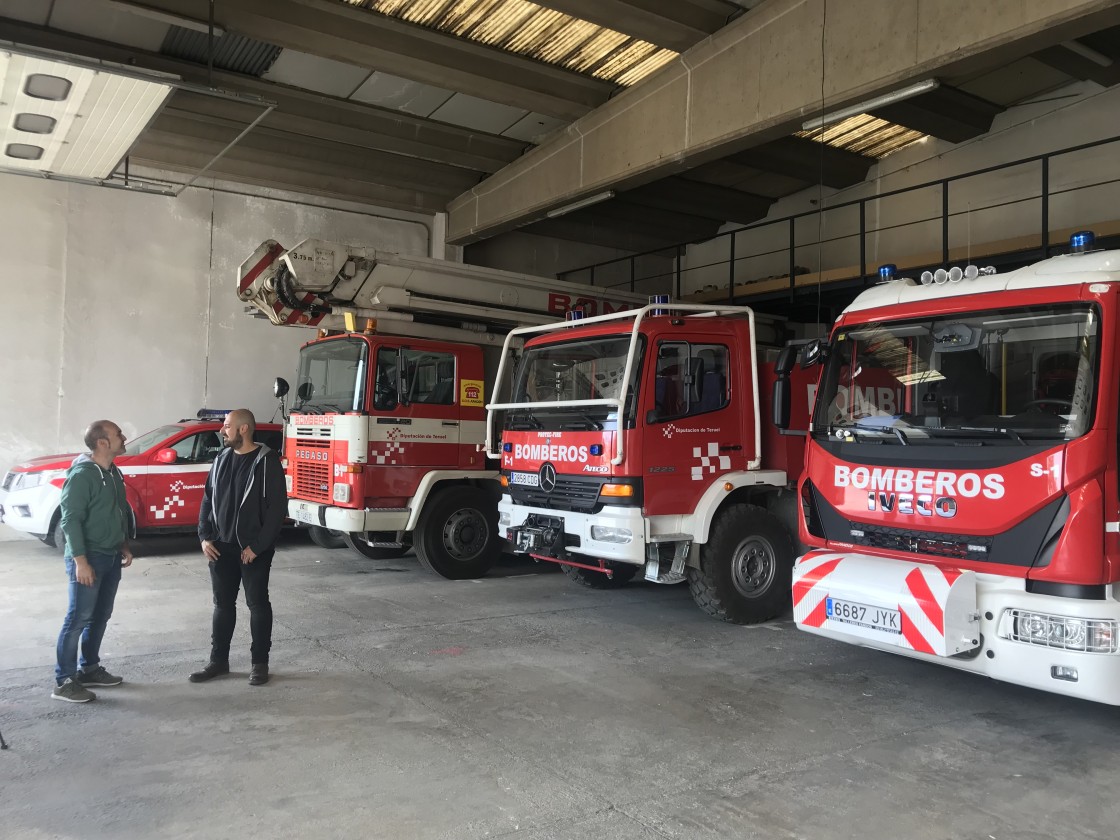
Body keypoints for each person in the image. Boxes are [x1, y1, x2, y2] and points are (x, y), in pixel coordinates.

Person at [191, 409, 286, 686]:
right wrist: (204, 537)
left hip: (252, 551)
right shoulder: (221, 459)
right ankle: (218, 662)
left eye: (227, 425)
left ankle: (259, 664)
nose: (223, 430)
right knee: (222, 606)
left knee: (257, 605)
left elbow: (276, 510)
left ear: (244, 429)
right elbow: (208, 500)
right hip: (220, 547)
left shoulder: (266, 461)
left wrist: (256, 547)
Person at [52, 420, 134, 703]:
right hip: (89, 557)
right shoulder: (83, 475)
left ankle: (89, 668)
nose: (123, 438)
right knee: (78, 618)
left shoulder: (112, 472)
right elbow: (70, 519)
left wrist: (123, 544)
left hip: (111, 555)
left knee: (100, 616)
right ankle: (64, 681)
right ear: (102, 443)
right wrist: (80, 561)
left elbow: (118, 511)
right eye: (117, 435)